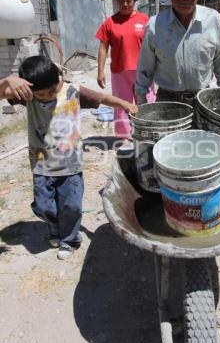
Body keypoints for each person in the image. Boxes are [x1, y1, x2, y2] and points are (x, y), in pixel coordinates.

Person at [1, 56, 138, 260]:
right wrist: (8, 81)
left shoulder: (72, 91)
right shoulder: (28, 95)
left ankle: (70, 239)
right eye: (42, 94)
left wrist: (125, 104)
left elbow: (102, 98)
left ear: (59, 79)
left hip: (70, 164)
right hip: (41, 162)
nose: (48, 96)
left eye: (52, 90)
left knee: (71, 205)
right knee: (43, 205)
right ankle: (54, 227)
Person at [135, 0, 220, 105]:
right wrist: (141, 101)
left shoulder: (213, 19)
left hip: (203, 101)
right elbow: (145, 68)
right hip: (167, 104)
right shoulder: (155, 25)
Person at [96, 0, 156, 138]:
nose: (125, 4)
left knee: (147, 104)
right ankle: (123, 137)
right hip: (119, 72)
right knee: (121, 106)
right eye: (121, 1)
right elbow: (103, 47)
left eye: (128, 1)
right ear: (116, 1)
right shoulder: (110, 22)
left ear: (134, 1)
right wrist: (100, 71)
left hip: (143, 72)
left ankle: (148, 132)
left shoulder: (144, 20)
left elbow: (153, 46)